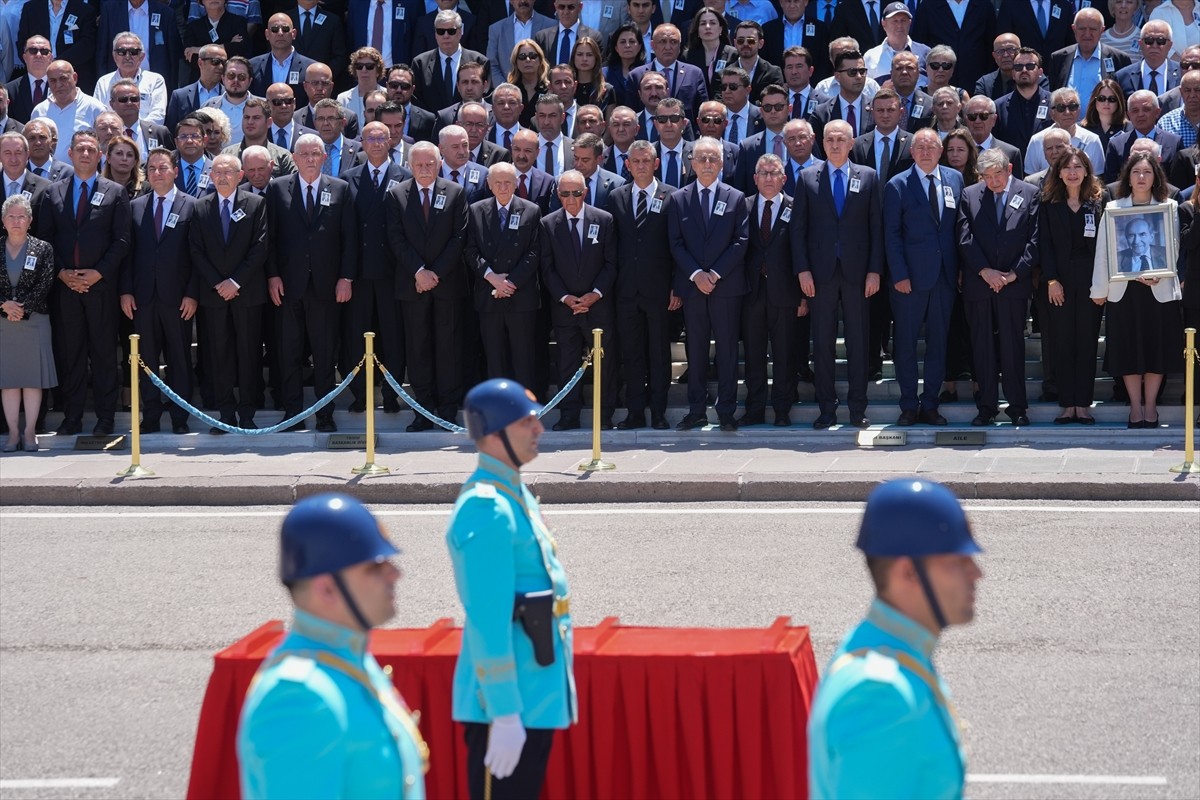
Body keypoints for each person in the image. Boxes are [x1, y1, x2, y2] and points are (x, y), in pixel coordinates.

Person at [238, 493, 428, 800]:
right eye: (374, 566)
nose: (395, 573)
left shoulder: (349, 660)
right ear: (327, 588)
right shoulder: (298, 698)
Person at [808, 478, 983, 800]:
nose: (976, 573)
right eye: (958, 561)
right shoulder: (880, 695)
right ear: (909, 573)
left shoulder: (886, 649)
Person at [446, 378, 576, 800]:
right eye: (526, 422)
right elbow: (487, 619)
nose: (539, 429)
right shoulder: (487, 507)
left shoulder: (512, 493)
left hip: (531, 697)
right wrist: (503, 713)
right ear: (492, 434)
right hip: (504, 706)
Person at [38, 129, 132, 437]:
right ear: (70, 153)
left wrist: (98, 272)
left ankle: (106, 418)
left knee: (105, 354)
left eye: (92, 149)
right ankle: (72, 417)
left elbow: (121, 240)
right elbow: (45, 240)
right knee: (71, 355)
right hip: (65, 289)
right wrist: (63, 273)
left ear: (100, 155)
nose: (86, 154)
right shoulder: (53, 192)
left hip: (101, 287)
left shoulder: (116, 192)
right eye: (80, 149)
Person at [792, 118, 882, 429]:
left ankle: (858, 409)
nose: (834, 144)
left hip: (858, 274)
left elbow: (876, 229)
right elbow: (798, 230)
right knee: (824, 344)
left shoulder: (869, 177)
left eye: (840, 139)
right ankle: (826, 409)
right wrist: (802, 270)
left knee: (858, 343)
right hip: (820, 275)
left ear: (851, 143)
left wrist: (874, 271)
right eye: (829, 139)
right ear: (822, 142)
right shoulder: (806, 178)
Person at [265, 133, 357, 434]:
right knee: (289, 352)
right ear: (294, 157)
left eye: (315, 154)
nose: (309, 159)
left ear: (324, 157)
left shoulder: (341, 189)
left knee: (324, 352)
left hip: (326, 286)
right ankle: (292, 412)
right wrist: (273, 275)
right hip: (288, 286)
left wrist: (346, 278)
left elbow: (349, 240)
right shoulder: (278, 189)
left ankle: (324, 413)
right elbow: (271, 239)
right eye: (303, 154)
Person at [1091, 152, 1185, 427]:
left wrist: (1159, 272)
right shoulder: (1113, 208)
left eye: (1146, 172)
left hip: (1160, 290)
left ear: (1155, 177)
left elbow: (1174, 247)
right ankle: (1135, 407)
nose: (1141, 177)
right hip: (1124, 292)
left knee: (1156, 349)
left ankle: (1151, 406)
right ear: (1127, 178)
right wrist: (1099, 289)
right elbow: (1103, 253)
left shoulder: (1169, 207)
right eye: (1136, 172)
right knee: (1127, 350)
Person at [386, 141, 469, 431]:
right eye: (419, 164)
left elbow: (459, 238)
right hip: (412, 286)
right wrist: (419, 272)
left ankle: (447, 410)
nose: (424, 169)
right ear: (410, 166)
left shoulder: (455, 193)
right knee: (417, 350)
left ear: (439, 164)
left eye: (430, 164)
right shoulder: (397, 195)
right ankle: (422, 411)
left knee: (448, 349)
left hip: (446, 286)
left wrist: (435, 274)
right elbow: (395, 238)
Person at [668, 136, 749, 431]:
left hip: (725, 287)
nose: (706, 164)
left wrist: (713, 274)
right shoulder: (678, 199)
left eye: (712, 158)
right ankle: (696, 410)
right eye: (701, 158)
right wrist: (696, 275)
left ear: (722, 164)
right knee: (696, 351)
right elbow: (675, 243)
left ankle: (726, 410)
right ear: (691, 163)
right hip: (692, 288)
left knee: (727, 351)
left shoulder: (736, 197)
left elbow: (740, 242)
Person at [883, 128, 962, 427]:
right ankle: (908, 404)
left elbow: (956, 229)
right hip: (909, 280)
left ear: (941, 151)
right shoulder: (897, 185)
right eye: (921, 147)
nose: (926, 152)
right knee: (905, 343)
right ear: (912, 153)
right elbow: (891, 235)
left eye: (932, 146)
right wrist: (899, 274)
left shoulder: (955, 180)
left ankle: (930, 403)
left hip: (944, 278)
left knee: (938, 344)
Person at [957, 147, 1040, 427]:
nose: (992, 181)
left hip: (1014, 285)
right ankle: (987, 407)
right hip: (980, 284)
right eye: (987, 176)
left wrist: (1015, 273)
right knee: (982, 347)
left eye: (998, 175)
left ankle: (1017, 406)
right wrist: (985, 271)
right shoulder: (969, 195)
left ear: (1010, 170)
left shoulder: (1029, 193)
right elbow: (964, 236)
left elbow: (1035, 239)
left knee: (1012, 346)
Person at [120, 147, 197, 436]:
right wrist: (126, 291)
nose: (157, 173)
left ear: (175, 171)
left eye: (163, 168)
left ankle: (180, 417)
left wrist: (192, 293)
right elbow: (127, 254)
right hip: (142, 298)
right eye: (152, 168)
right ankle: (150, 416)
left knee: (179, 358)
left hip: (178, 299)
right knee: (146, 360)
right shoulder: (136, 206)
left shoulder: (192, 206)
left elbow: (196, 256)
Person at [189, 152, 268, 432]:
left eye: (228, 172)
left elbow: (260, 247)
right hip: (214, 296)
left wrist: (235, 282)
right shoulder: (200, 207)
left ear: (240, 176)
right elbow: (196, 251)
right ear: (211, 176)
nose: (222, 177)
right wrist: (218, 283)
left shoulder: (256, 204)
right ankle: (225, 413)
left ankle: (247, 412)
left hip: (246, 293)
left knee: (248, 353)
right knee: (218, 355)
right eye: (217, 172)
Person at [539, 168, 618, 430]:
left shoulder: (604, 219)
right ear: (558, 194)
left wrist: (594, 295)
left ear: (585, 192)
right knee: (567, 362)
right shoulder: (548, 224)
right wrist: (565, 297)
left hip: (597, 307)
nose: (571, 198)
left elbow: (611, 263)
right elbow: (547, 268)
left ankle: (604, 414)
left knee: (604, 364)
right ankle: (568, 414)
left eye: (576, 193)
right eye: (565, 193)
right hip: (566, 309)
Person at [608, 139, 678, 430]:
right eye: (635, 161)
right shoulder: (616, 197)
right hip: (626, 290)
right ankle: (635, 411)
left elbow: (676, 244)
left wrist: (677, 286)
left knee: (659, 353)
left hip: (660, 290)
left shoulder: (672, 196)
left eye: (645, 161)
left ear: (656, 163)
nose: (640, 166)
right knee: (632, 353)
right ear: (627, 165)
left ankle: (658, 410)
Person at [1038, 146, 1107, 425]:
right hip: (1060, 283)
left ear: (1087, 171)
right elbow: (1044, 245)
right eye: (1067, 167)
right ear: (1059, 172)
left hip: (1092, 281)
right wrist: (1052, 280)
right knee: (1063, 342)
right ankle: (1068, 405)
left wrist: (1102, 285)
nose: (1072, 172)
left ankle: (1083, 404)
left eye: (1078, 167)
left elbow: (1106, 246)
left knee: (1087, 342)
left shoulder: (1098, 203)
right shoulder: (1048, 203)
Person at [464, 161, 542, 392]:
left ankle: (526, 413)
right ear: (489, 184)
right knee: (494, 359)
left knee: (524, 359)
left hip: (521, 296)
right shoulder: (476, 210)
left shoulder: (531, 210)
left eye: (508, 182)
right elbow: (470, 250)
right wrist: (491, 277)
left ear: (516, 183)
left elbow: (535, 251)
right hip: (489, 296)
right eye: (497, 182)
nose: (503, 187)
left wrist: (510, 282)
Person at [739, 153, 802, 427]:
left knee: (785, 353)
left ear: (783, 178)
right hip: (751, 292)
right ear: (754, 178)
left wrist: (803, 295)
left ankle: (782, 409)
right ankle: (754, 408)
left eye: (773, 173)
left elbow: (802, 251)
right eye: (762, 173)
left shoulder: (796, 206)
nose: (767, 178)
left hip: (786, 292)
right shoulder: (742, 206)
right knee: (753, 354)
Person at [0, 194, 56, 452]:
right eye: (11, 216)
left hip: (34, 321)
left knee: (32, 380)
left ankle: (30, 431)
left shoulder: (43, 248)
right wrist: (4, 305)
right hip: (3, 323)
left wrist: (21, 309)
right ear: (3, 221)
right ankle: (13, 434)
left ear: (30, 221)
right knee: (9, 380)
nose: (16, 221)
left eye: (21, 216)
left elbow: (45, 284)